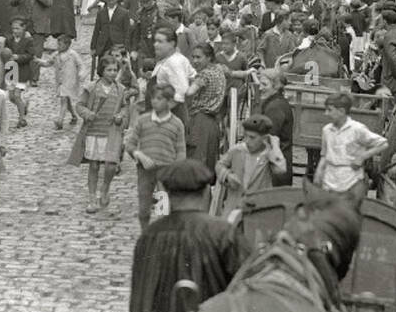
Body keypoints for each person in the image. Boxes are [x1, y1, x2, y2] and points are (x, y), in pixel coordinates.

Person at [128, 159, 249, 312]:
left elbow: (136, 305)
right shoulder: (224, 233)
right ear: (204, 194)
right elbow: (245, 295)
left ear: (167, 194)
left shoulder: (148, 237)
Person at [67, 56, 129, 214]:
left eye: (115, 70)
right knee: (94, 165)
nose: (113, 73)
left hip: (111, 132)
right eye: (109, 70)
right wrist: (87, 114)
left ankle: (105, 188)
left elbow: (124, 107)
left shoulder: (120, 89)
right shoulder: (92, 88)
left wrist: (121, 116)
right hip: (94, 132)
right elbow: (79, 105)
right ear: (101, 71)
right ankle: (92, 197)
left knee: (111, 165)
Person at [123, 84, 188, 230]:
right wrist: (139, 155)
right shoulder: (143, 120)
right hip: (145, 171)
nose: (154, 101)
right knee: (144, 207)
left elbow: (181, 151)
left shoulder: (177, 124)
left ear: (169, 102)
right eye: (152, 98)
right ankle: (145, 233)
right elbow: (130, 144)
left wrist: (175, 170)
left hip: (165, 171)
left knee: (162, 208)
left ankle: (160, 237)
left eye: (159, 98)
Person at [313, 92, 388, 205]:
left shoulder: (357, 129)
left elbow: (383, 143)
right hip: (330, 179)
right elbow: (324, 154)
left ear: (342, 111)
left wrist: (362, 157)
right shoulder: (327, 130)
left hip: (351, 179)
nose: (326, 113)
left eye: (329, 110)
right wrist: (318, 172)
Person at [214, 114, 287, 216]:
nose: (247, 141)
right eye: (245, 136)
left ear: (264, 138)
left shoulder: (268, 156)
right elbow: (219, 165)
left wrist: (275, 145)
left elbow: (281, 169)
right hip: (234, 208)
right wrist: (227, 176)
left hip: (257, 210)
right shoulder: (237, 150)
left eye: (252, 138)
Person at [185, 43, 227, 174]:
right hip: (213, 122)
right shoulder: (219, 70)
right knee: (208, 162)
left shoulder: (204, 75)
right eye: (193, 57)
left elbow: (189, 92)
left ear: (209, 57)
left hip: (200, 120)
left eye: (198, 57)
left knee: (197, 160)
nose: (195, 61)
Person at [47, 33, 85, 130]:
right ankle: (74, 116)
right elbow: (48, 63)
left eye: (60, 45)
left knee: (63, 99)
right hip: (60, 81)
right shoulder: (56, 55)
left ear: (67, 45)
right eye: (58, 44)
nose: (58, 47)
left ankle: (60, 121)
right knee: (66, 100)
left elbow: (80, 65)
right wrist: (38, 61)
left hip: (70, 80)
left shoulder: (73, 54)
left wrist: (81, 74)